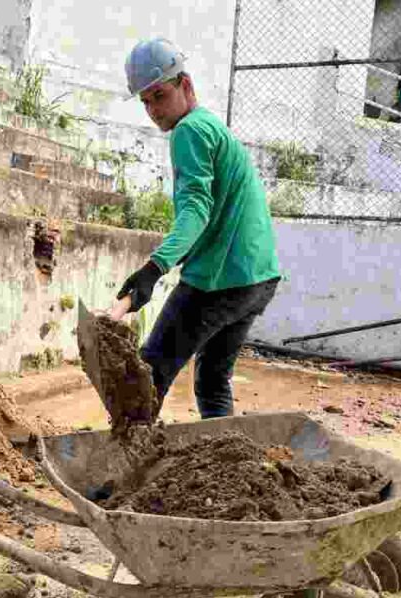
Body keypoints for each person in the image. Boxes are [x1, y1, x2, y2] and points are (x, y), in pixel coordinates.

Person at [113, 37, 283, 420]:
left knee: (146, 377)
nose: (153, 110)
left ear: (185, 85)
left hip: (219, 283)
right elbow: (210, 218)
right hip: (256, 280)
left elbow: (195, 212)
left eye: (158, 96)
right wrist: (160, 270)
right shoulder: (210, 128)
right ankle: (227, 469)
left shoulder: (190, 131)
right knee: (212, 380)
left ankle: (119, 477)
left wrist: (153, 269)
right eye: (145, 102)